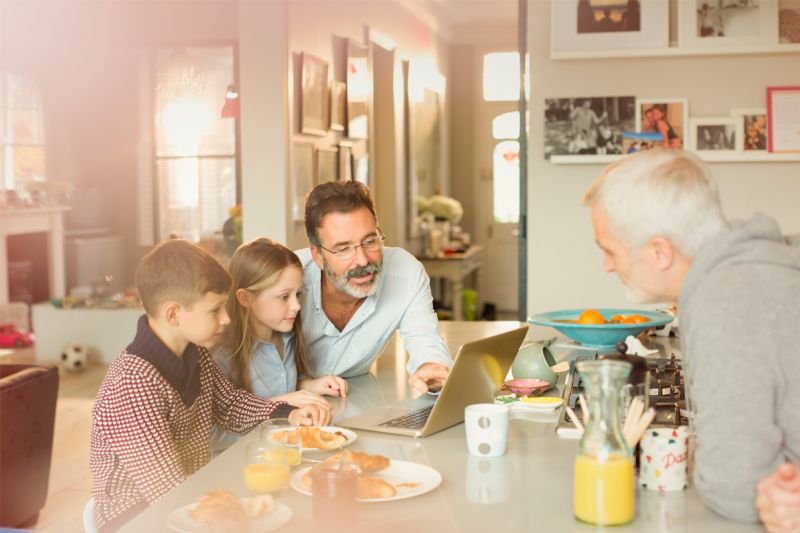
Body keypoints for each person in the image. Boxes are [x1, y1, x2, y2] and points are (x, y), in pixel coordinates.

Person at [582, 149, 800, 524]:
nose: (606, 266)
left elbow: (735, 491)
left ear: (659, 252)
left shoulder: (724, 299)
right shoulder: (764, 261)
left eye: (609, 250)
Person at [90, 239, 328, 531]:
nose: (226, 319)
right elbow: (166, 491)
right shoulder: (132, 385)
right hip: (136, 518)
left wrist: (288, 412)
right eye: (215, 310)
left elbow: (230, 406)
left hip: (189, 498)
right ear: (173, 314)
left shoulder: (196, 353)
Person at [298, 180, 451, 393]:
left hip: (356, 397)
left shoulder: (405, 272)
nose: (362, 260)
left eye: (370, 241)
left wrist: (431, 367)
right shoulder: (288, 280)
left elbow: (426, 341)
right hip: (285, 402)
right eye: (343, 249)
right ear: (318, 256)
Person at [211, 238, 347, 451]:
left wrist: (307, 386)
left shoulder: (287, 338)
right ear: (245, 298)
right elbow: (214, 436)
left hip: (285, 453)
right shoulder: (221, 356)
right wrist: (280, 407)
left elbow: (271, 385)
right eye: (284, 297)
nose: (296, 306)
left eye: (298, 294)